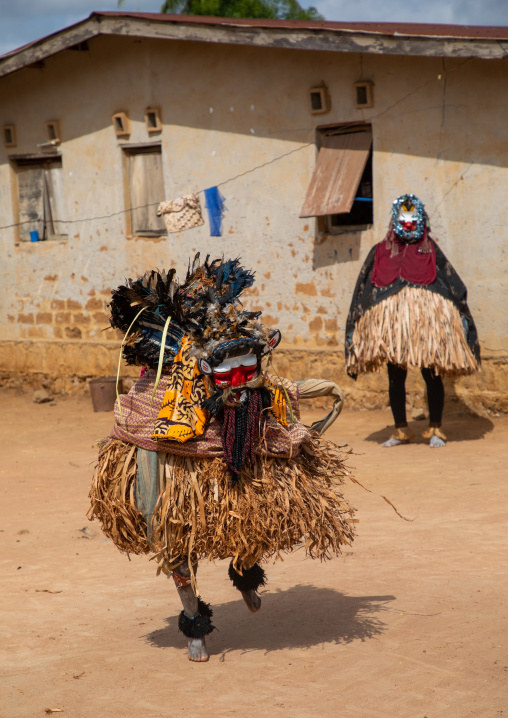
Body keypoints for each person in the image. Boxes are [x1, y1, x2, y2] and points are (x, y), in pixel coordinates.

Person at [89, 254, 355, 661]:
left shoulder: (264, 397)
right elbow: (145, 438)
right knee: (176, 543)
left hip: (239, 467)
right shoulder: (158, 412)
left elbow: (289, 394)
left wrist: (327, 394)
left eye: (247, 364)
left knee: (254, 519)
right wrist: (150, 505)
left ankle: (246, 572)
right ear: (200, 367)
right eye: (225, 367)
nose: (238, 378)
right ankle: (194, 623)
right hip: (179, 484)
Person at [345, 194, 480, 448]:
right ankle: (400, 430)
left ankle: (436, 428)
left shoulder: (429, 249)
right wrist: (358, 322)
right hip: (392, 329)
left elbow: (451, 282)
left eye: (412, 220)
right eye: (403, 220)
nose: (408, 225)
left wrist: (460, 316)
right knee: (395, 377)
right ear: (395, 220)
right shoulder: (381, 251)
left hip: (426, 328)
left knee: (431, 375)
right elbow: (363, 288)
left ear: (422, 220)